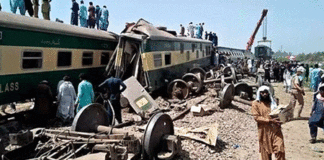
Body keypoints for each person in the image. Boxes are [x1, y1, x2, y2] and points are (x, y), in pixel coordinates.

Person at [252, 86, 285, 160]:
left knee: (280, 149)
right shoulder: (255, 103)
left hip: (276, 130)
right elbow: (256, 117)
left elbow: (278, 113)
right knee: (266, 154)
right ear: (259, 93)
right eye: (262, 93)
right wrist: (270, 120)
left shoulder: (273, 102)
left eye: (266, 92)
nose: (264, 94)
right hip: (264, 131)